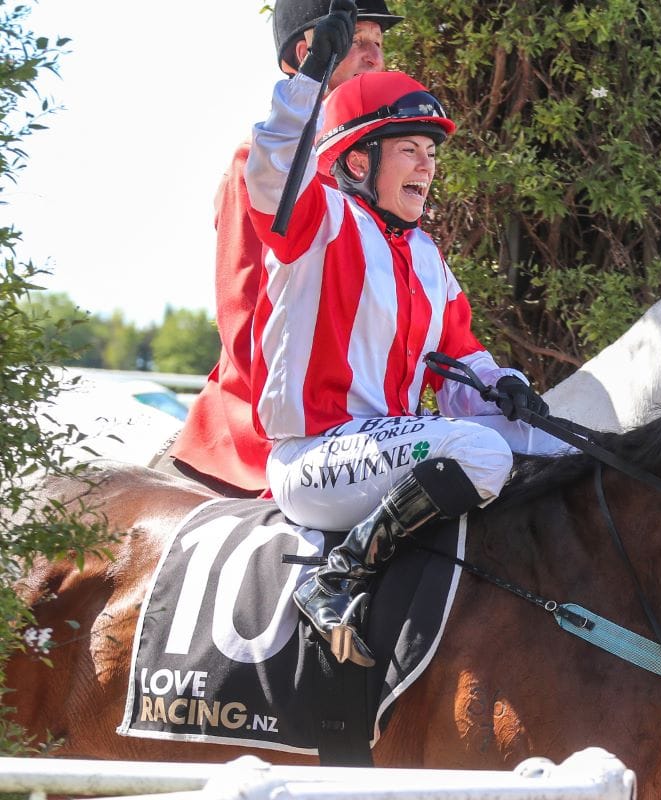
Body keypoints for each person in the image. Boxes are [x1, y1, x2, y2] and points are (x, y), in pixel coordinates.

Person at [245, 1, 561, 668]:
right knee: (481, 454)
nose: (427, 166)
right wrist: (310, 79)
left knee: (554, 443)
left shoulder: (426, 257)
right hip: (312, 459)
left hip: (382, 451)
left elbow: (462, 366)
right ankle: (338, 578)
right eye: (410, 151)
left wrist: (509, 389)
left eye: (431, 153)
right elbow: (272, 176)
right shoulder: (323, 221)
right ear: (360, 162)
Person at [162, 0, 402, 497]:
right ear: (306, 52)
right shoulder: (255, 163)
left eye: (379, 44)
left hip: (360, 422)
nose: (375, 56)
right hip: (261, 434)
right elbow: (244, 311)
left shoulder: (382, 168)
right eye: (359, 42)